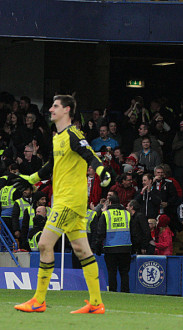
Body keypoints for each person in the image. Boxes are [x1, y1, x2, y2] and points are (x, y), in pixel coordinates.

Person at [14, 95, 110, 314]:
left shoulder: (73, 134)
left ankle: (38, 300)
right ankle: (96, 303)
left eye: (55, 106)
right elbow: (51, 165)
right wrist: (30, 178)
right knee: (81, 249)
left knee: (44, 244)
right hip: (68, 201)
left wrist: (102, 170)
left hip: (68, 201)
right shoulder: (58, 137)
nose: (50, 109)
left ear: (67, 109)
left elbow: (90, 154)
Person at [95, 193, 132, 293]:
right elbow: (133, 231)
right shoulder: (127, 214)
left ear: (110, 203)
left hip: (111, 248)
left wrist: (98, 248)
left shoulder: (106, 214)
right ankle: (125, 292)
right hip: (125, 247)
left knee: (112, 272)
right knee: (124, 273)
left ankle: (113, 292)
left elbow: (100, 233)